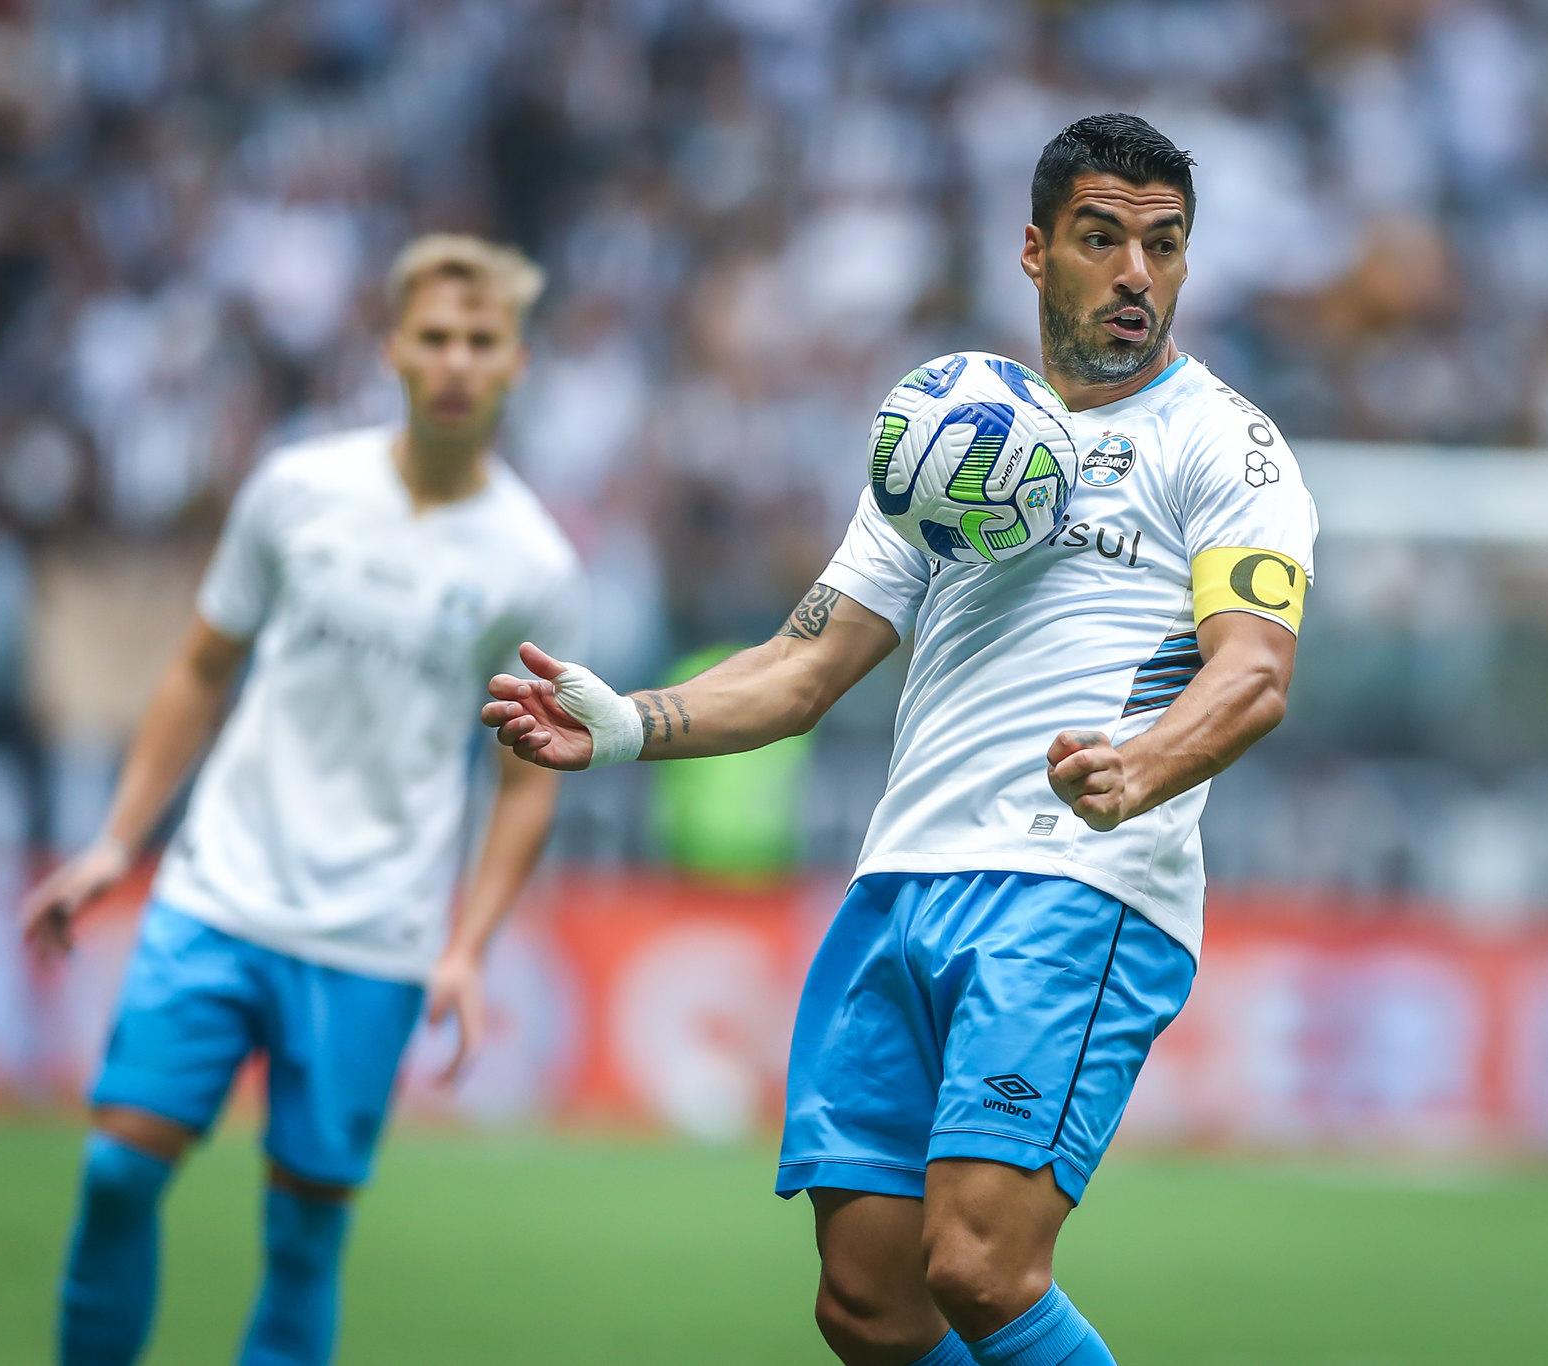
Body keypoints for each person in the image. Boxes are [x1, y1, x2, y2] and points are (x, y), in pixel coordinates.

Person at [485, 113, 1318, 1365]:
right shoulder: (958, 436)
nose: (1134, 273)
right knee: (866, 1304)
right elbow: (803, 664)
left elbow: (1250, 672)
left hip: (1073, 884)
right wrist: (628, 725)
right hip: (903, 880)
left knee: (979, 1265)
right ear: (1033, 251)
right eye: (1100, 238)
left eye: (1162, 245)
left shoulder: (1225, 445)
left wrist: (1139, 768)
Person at [21, 234, 582, 1365]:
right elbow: (200, 668)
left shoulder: (535, 564)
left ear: (516, 362)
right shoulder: (296, 489)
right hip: (219, 891)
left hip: (373, 935)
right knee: (117, 1170)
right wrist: (116, 840)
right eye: (435, 337)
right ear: (393, 350)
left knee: (302, 1243)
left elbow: (525, 785)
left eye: (480, 340)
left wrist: (467, 946)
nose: (457, 361)